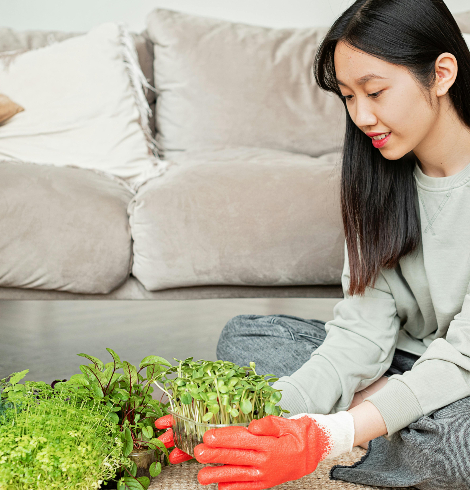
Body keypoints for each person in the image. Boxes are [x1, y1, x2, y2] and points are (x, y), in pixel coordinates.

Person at [156, 0, 470, 488]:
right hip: (401, 359)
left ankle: (376, 416)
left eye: (376, 91)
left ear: (442, 73)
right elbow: (362, 336)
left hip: (464, 371)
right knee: (248, 339)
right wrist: (257, 417)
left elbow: (461, 360)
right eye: (348, 96)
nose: (362, 115)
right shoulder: (378, 179)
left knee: (460, 447)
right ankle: (392, 414)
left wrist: (325, 436)